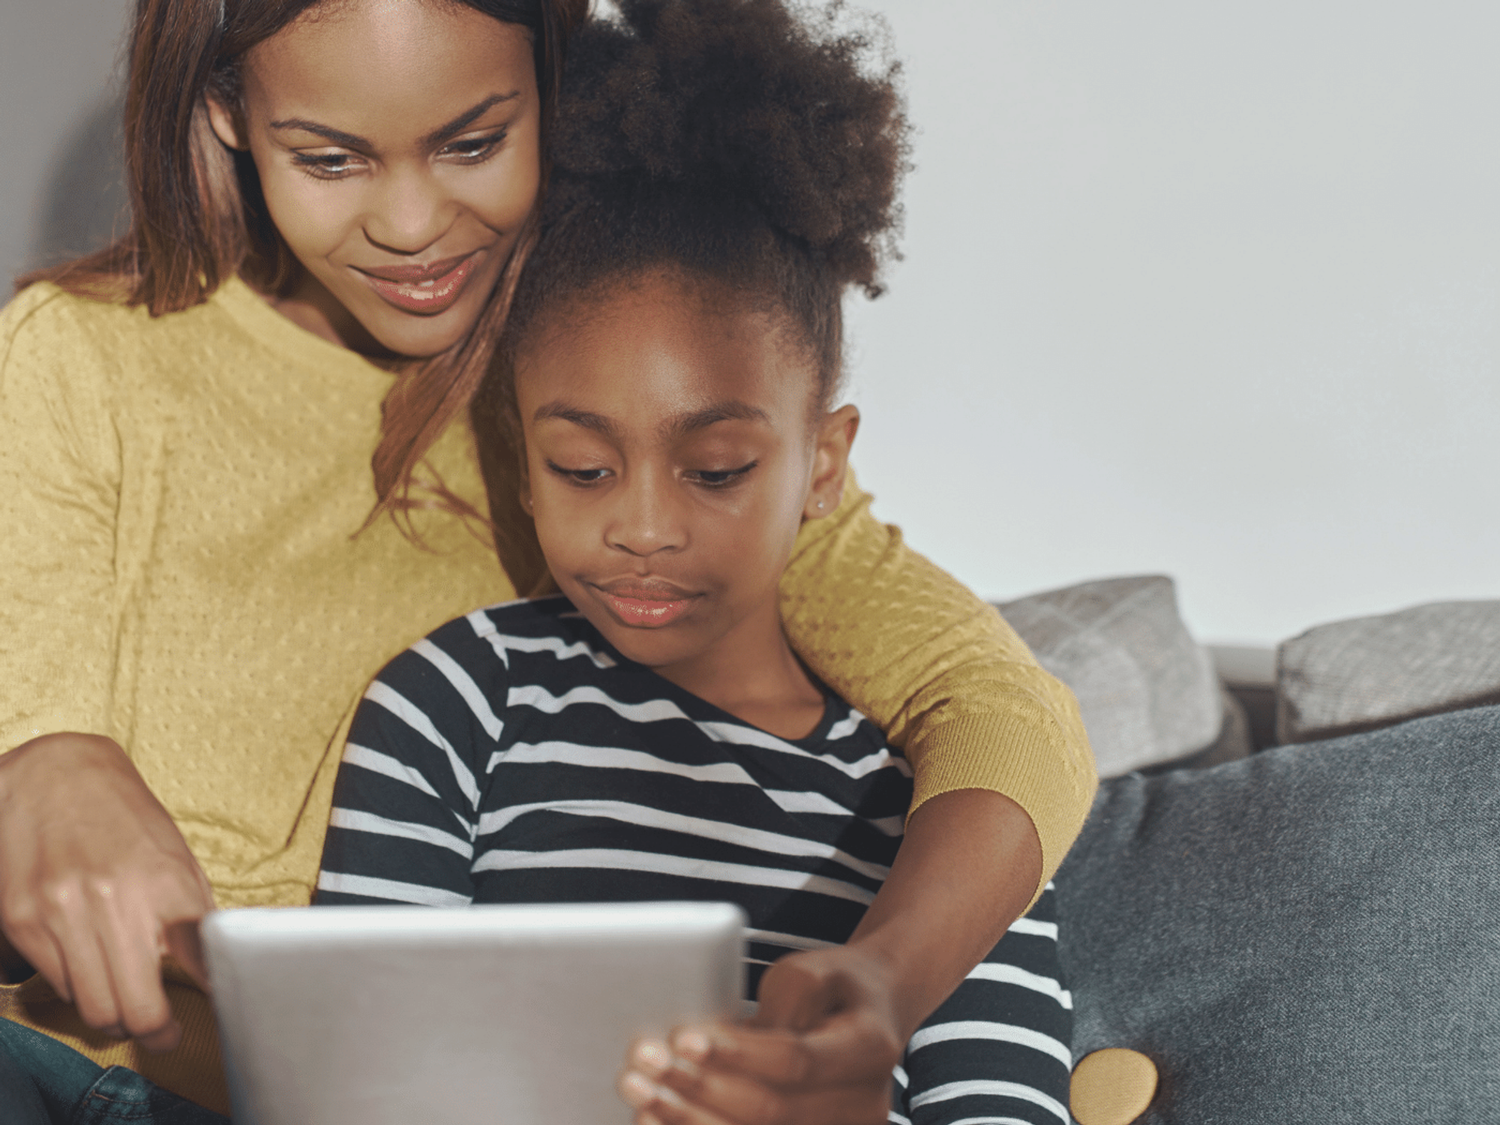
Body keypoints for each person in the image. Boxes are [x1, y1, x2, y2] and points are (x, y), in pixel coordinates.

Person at [0, 0, 1094, 1119]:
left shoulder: (612, 390)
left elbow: (1008, 718)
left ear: (551, 88)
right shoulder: (79, 366)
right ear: (230, 114)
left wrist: (882, 987)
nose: (413, 224)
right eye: (330, 159)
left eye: (473, 142)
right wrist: (36, 751)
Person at [318, 4, 1075, 1124]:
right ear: (521, 463)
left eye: (715, 469)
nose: (643, 528)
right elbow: (360, 1082)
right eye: (581, 467)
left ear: (823, 467)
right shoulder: (458, 704)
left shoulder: (939, 825)